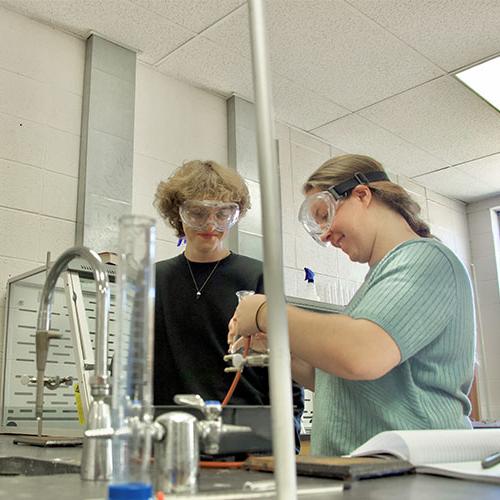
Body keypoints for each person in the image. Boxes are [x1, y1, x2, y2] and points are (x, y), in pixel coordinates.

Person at [228, 154, 475, 456]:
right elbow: (337, 379)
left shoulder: (426, 260)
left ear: (361, 195)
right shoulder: (379, 280)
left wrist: (265, 313)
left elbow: (361, 355)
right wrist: (274, 348)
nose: (325, 234)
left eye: (324, 214)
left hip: (414, 473)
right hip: (371, 474)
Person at [153, 159, 304, 451]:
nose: (211, 225)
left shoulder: (259, 275)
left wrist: (289, 437)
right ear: (178, 214)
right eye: (197, 213)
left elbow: (287, 365)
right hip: (168, 433)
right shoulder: (152, 279)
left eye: (223, 214)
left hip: (248, 434)